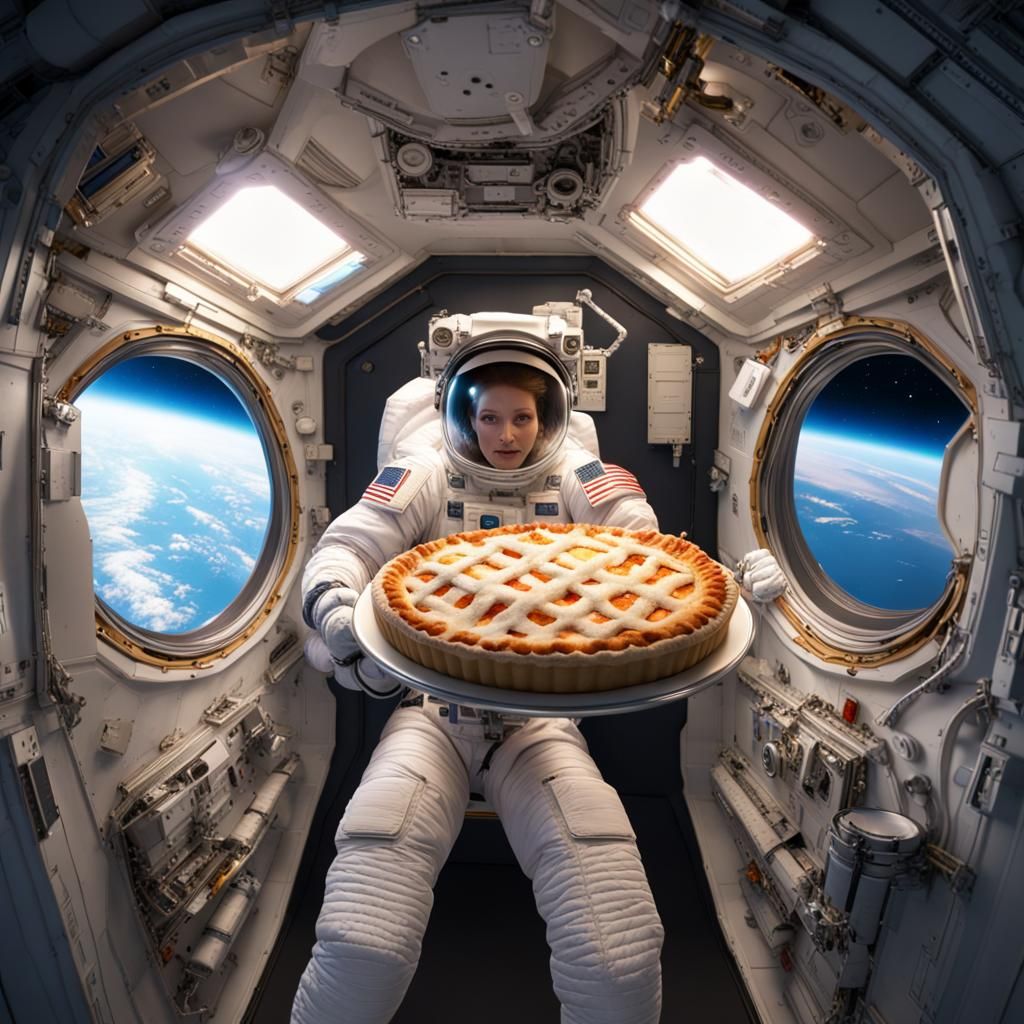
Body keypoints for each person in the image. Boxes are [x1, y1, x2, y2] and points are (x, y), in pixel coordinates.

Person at [292, 323, 785, 1024]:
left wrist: (728, 582)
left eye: (522, 417)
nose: (506, 435)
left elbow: (643, 549)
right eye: (489, 417)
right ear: (463, 415)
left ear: (548, 416)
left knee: (618, 954)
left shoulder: (580, 475)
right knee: (362, 941)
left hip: (540, 725)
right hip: (433, 717)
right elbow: (348, 544)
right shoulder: (423, 472)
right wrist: (336, 607)